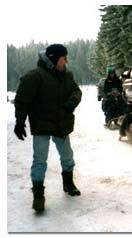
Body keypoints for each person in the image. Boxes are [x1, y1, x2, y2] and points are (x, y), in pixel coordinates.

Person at [14, 44, 82, 213]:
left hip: (61, 124)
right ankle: (38, 195)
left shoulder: (67, 75)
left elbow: (76, 91)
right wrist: (20, 122)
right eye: (63, 58)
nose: (67, 61)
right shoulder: (35, 76)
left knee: (67, 157)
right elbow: (22, 100)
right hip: (42, 125)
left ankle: (68, 183)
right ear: (53, 59)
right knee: (40, 161)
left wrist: (72, 102)